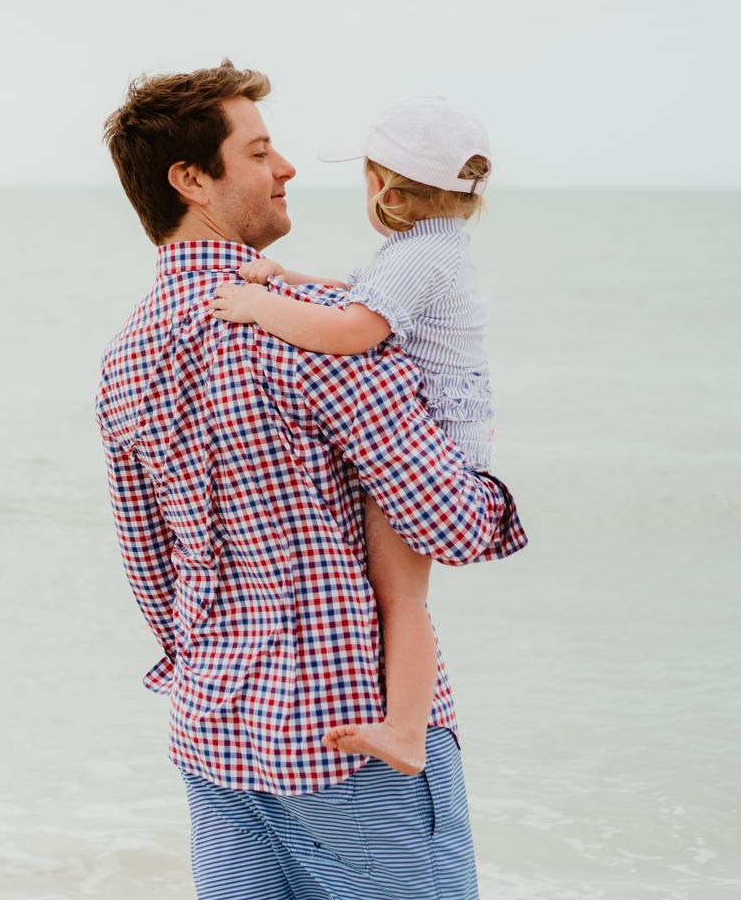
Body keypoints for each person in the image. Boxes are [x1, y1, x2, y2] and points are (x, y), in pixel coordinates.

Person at [96, 63, 524, 899]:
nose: (286, 167)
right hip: (349, 739)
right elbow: (454, 527)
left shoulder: (123, 362)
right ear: (192, 180)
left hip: (214, 737)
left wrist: (214, 671)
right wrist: (492, 497)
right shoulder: (317, 348)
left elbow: (151, 571)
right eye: (259, 152)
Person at [206, 96, 496, 778]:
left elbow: (353, 330)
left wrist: (259, 306)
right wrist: (290, 278)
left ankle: (404, 732)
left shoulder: (416, 258)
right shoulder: (432, 250)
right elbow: (352, 295)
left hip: (432, 453)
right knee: (398, 592)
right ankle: (405, 727)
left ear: (384, 190)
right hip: (445, 440)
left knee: (400, 597)